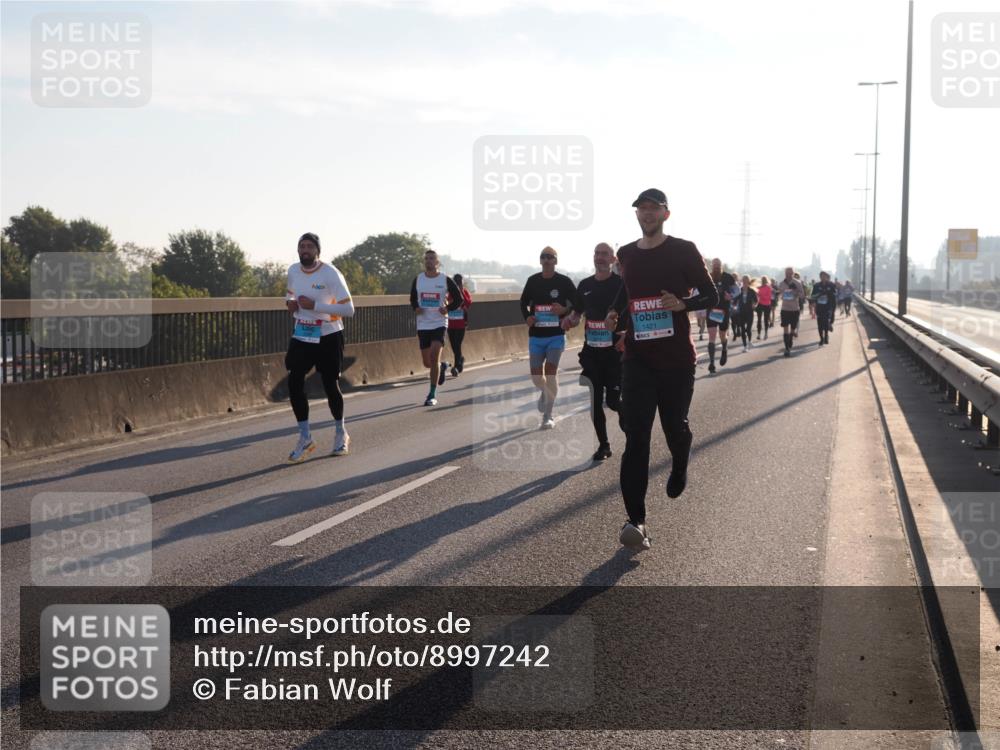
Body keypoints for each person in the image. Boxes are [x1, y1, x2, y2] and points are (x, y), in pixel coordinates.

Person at [606, 188, 719, 551]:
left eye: (654, 208)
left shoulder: (683, 250)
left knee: (674, 428)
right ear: (637, 214)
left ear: (666, 214)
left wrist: (682, 303)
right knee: (636, 439)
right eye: (642, 208)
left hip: (676, 362)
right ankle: (636, 521)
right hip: (637, 360)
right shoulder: (626, 254)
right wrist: (614, 314)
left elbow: (711, 296)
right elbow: (626, 293)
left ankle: (681, 459)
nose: (647, 213)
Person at [284, 232, 355, 462]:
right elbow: (290, 294)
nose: (304, 250)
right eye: (301, 246)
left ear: (317, 250)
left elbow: (349, 309)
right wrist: (291, 305)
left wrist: (315, 305)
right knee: (294, 382)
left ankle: (340, 432)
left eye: (309, 246)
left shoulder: (330, 273)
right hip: (303, 333)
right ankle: (305, 437)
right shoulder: (293, 270)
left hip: (328, 335)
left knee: (330, 384)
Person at [566, 242, 627, 461]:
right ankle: (604, 445)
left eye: (604, 254)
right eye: (597, 254)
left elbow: (629, 315)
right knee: (594, 400)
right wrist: (569, 321)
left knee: (612, 401)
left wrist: (624, 335)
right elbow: (577, 313)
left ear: (612, 260)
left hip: (614, 353)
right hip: (592, 352)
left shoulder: (621, 285)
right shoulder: (584, 285)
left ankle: (626, 419)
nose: (599, 257)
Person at [519, 247, 577, 429]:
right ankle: (545, 391)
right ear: (540, 261)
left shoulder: (564, 281)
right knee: (537, 378)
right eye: (543, 257)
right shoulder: (533, 281)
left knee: (550, 371)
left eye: (550, 257)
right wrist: (527, 317)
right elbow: (523, 302)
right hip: (536, 336)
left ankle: (548, 415)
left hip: (555, 335)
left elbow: (577, 303)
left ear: (556, 261)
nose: (546, 260)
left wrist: (565, 311)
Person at [410, 250, 463, 406]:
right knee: (427, 363)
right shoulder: (418, 279)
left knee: (434, 356)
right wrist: (416, 308)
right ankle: (443, 366)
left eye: (432, 258)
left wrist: (448, 308)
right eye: (426, 258)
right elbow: (413, 298)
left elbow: (459, 298)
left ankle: (432, 394)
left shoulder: (444, 279)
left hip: (439, 322)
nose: (429, 261)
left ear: (437, 262)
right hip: (423, 323)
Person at [705, 258, 735, 374]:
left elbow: (737, 290)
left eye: (718, 265)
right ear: (712, 266)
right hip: (711, 310)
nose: (716, 267)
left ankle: (724, 348)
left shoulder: (728, 277)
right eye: (715, 265)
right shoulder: (707, 276)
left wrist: (731, 296)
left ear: (721, 266)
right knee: (712, 337)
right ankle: (712, 363)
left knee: (723, 335)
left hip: (724, 310)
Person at [447, 274, 473, 377]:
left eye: (459, 282)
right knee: (454, 345)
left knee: (457, 344)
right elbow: (446, 302)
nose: (458, 284)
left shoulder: (465, 292)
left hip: (461, 324)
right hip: (450, 323)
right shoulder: (449, 292)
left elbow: (468, 303)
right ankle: (460, 359)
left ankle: (457, 366)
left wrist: (461, 291)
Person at [778, 267, 806, 357]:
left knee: (792, 329)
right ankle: (787, 349)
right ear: (785, 273)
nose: (788, 275)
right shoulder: (782, 283)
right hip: (785, 309)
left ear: (793, 274)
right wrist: (781, 295)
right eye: (787, 273)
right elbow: (780, 294)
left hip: (794, 309)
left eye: (790, 273)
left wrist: (795, 292)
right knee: (785, 329)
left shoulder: (797, 283)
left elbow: (802, 295)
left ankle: (790, 340)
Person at [811, 271, 838, 345]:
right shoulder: (816, 286)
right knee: (819, 324)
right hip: (819, 307)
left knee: (826, 322)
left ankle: (826, 336)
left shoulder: (831, 285)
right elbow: (813, 296)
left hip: (828, 306)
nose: (823, 277)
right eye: (822, 276)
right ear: (820, 277)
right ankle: (821, 338)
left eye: (825, 276)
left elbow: (835, 294)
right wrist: (818, 295)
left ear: (827, 277)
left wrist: (828, 293)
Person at [736, 275, 758, 351]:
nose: (745, 282)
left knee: (748, 329)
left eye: (746, 280)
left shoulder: (752, 291)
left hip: (749, 312)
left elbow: (756, 300)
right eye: (744, 280)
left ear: (748, 281)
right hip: (741, 312)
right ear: (742, 281)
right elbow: (735, 300)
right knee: (742, 329)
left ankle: (749, 342)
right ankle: (745, 346)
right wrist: (734, 306)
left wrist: (754, 305)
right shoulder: (739, 290)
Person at [756, 275, 773, 340]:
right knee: (759, 320)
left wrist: (761, 296)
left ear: (766, 281)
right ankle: (759, 334)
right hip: (760, 304)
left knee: (766, 320)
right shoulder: (758, 288)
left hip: (767, 304)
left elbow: (769, 297)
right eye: (762, 280)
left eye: (764, 280)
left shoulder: (769, 288)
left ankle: (766, 333)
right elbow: (756, 296)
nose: (763, 281)